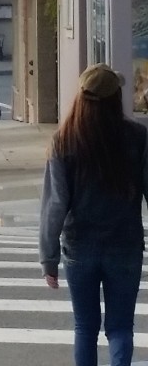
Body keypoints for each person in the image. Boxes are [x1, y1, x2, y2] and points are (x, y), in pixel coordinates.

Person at [40, 64, 148, 366]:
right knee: (120, 327)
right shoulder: (138, 137)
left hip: (79, 246)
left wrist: (48, 257)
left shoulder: (63, 140)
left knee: (85, 329)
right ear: (115, 98)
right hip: (125, 246)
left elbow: (56, 204)